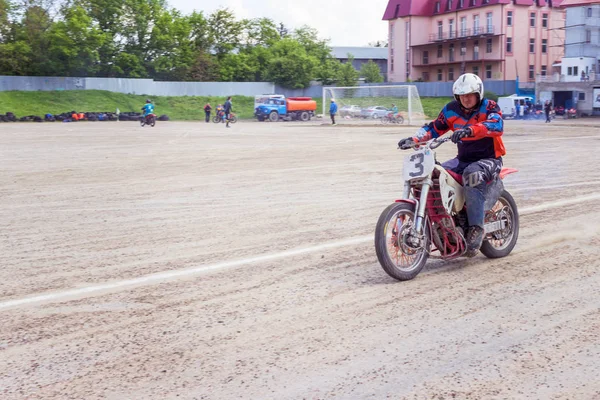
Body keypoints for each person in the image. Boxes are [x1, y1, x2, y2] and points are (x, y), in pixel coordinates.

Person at [397, 73, 505, 256]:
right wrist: (413, 139)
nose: (466, 99)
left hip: (489, 159)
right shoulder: (450, 110)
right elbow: (433, 128)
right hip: (462, 159)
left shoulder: (490, 106)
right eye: (462, 95)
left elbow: (497, 125)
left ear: (479, 94)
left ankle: (476, 229)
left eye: (470, 95)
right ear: (457, 96)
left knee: (472, 174)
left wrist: (470, 130)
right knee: (436, 173)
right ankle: (448, 221)